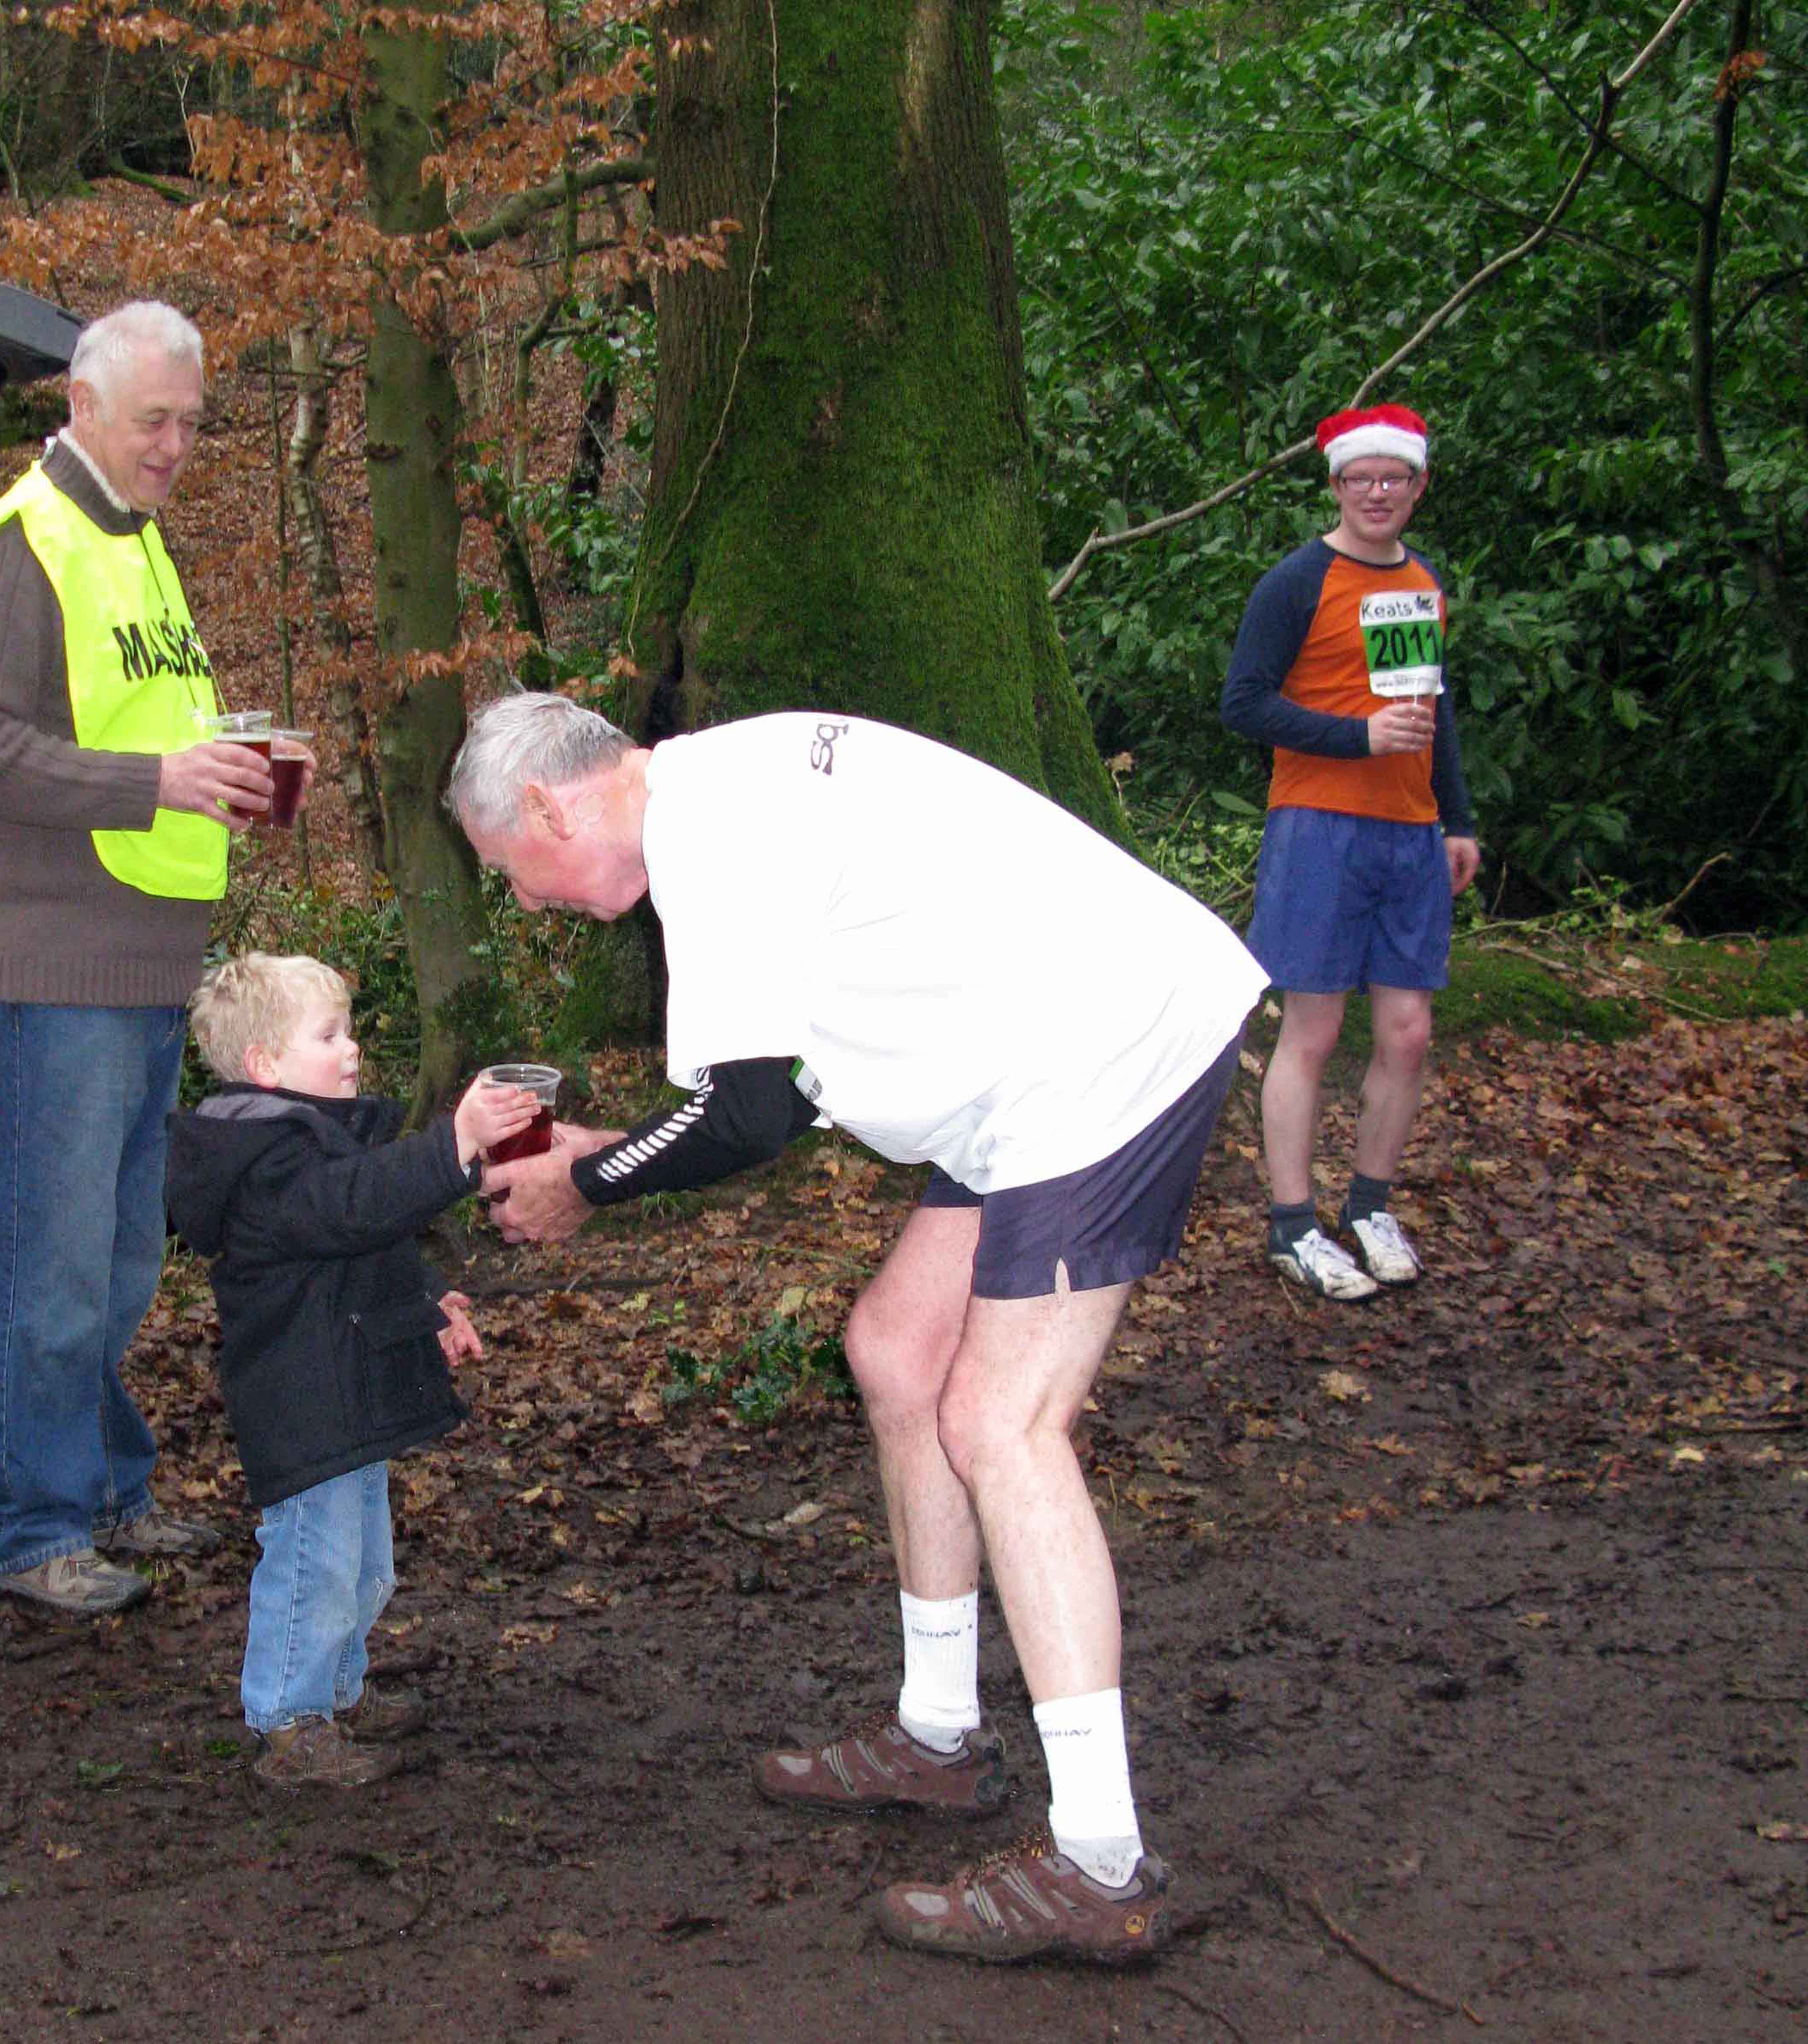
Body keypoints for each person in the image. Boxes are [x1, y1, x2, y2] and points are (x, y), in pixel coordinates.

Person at [448, 693, 1266, 1966]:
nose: (533, 904)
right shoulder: (721, 792)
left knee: (1004, 1420)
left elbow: (747, 1116)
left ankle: (1101, 1863)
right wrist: (616, 1155)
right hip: (1022, 1065)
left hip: (1101, 1051)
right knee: (897, 1349)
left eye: (516, 875)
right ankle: (939, 1736)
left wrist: (584, 1184)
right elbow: (807, 1038)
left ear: (550, 806)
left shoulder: (706, 829)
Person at [0, 300, 291, 1618]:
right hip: (49, 966)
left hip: (141, 967)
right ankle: (29, 1529)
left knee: (121, 1261)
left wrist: (219, 777)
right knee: (49, 1261)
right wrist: (156, 779)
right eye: (156, 421)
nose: (178, 445)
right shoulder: (31, 545)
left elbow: (150, 736)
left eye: (192, 422)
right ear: (82, 406)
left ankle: (107, 1490)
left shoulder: (138, 547)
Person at [165, 954, 535, 1787]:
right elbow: (352, 1207)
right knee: (315, 1559)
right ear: (266, 1065)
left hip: (345, 1388)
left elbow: (371, 1238)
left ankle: (335, 1690)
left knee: (366, 1564)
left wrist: (432, 1300)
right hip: (304, 1399)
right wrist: (456, 1144)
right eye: (327, 1035)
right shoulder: (263, 1161)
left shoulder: (313, 1146)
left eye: (349, 1030)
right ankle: (289, 1721)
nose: (352, 1049)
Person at [1220, 404, 1480, 1302]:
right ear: (1335, 486)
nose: (1378, 493)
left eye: (1395, 479)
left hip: (1408, 835)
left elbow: (1425, 711)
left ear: (1418, 487)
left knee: (1408, 1035)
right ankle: (1293, 1225)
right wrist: (1353, 740)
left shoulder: (1418, 583)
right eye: (1361, 479)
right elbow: (1244, 703)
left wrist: (1457, 819)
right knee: (1316, 1030)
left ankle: (1369, 1206)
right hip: (1320, 824)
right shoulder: (1298, 582)